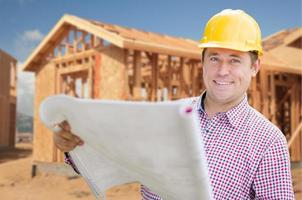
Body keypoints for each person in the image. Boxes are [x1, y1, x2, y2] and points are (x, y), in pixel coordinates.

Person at [53, 9, 294, 199]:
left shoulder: (267, 141)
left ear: (254, 66)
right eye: (214, 58)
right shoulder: (168, 116)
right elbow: (111, 161)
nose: (222, 71)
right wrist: (74, 146)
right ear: (202, 62)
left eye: (234, 60)